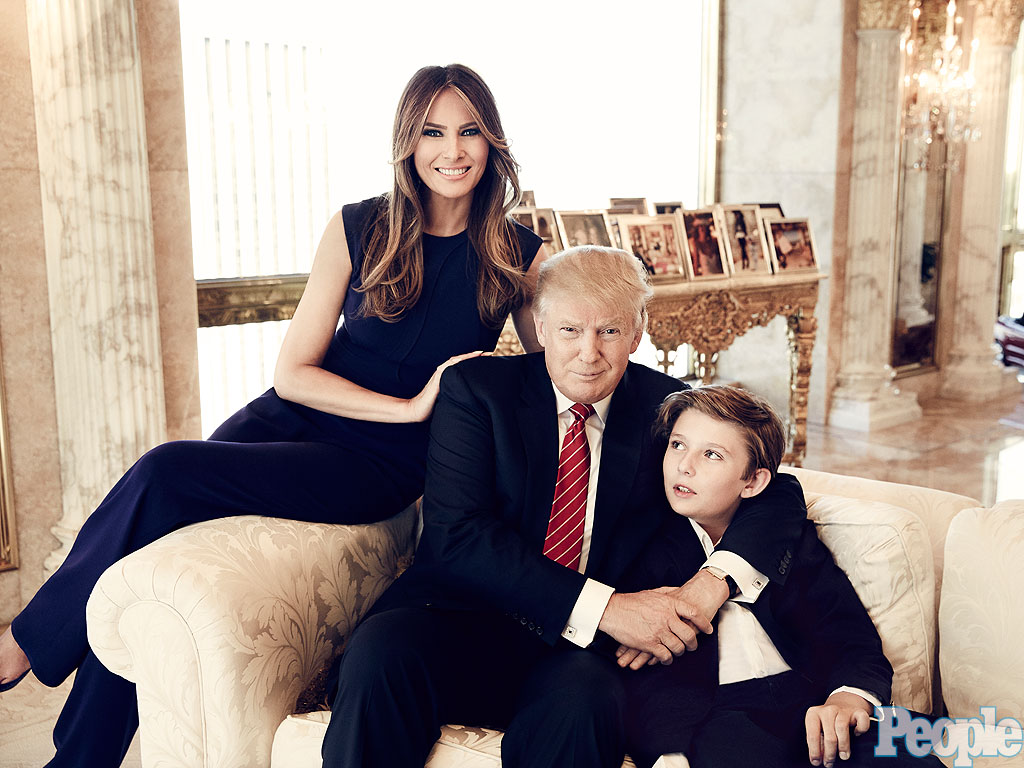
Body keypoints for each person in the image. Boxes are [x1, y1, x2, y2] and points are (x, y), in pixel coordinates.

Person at [0, 63, 547, 768]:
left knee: (164, 470)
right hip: (288, 418)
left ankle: (25, 645)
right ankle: (77, 758)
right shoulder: (359, 226)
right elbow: (294, 372)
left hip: (376, 462)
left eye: (469, 131)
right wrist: (409, 403)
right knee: (146, 548)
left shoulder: (517, 254)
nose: (452, 150)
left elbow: (553, 372)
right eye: (432, 132)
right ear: (408, 142)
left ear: (492, 141)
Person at [321, 246, 808, 768]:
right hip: (460, 619)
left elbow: (777, 493)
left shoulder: (667, 408)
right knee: (381, 650)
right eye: (570, 330)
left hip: (580, 653)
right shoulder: (478, 393)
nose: (588, 353)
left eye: (609, 331)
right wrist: (609, 608)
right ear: (541, 326)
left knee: (586, 703)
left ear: (637, 333)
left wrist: (707, 587)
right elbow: (458, 537)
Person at [617, 385, 945, 768]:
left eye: (712, 454)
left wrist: (847, 697)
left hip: (810, 705)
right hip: (720, 723)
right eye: (677, 445)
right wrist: (669, 753)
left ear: (753, 482)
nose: (684, 466)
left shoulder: (787, 540)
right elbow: (642, 681)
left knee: (908, 760)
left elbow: (850, 637)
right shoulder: (644, 549)